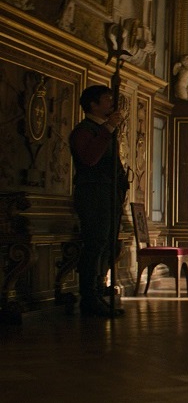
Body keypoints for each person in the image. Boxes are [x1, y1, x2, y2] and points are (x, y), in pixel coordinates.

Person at [69, 85, 128, 318]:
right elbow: (90, 158)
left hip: (108, 195)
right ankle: (89, 297)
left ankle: (98, 290)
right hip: (93, 195)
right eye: (107, 99)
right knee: (95, 244)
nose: (112, 103)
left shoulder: (103, 130)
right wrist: (109, 128)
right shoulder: (84, 131)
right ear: (93, 104)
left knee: (107, 245)